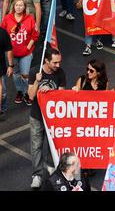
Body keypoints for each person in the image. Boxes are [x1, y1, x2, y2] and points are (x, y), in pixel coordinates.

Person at [28, 48, 66, 189]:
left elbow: (61, 96)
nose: (58, 65)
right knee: (36, 146)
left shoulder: (60, 73)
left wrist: (50, 92)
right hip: (37, 116)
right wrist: (38, 82)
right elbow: (31, 96)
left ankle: (51, 170)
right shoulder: (34, 72)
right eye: (55, 62)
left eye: (59, 62)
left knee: (53, 146)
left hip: (53, 118)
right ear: (47, 61)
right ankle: (37, 175)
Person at [1, 0, 39, 106]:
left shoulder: (30, 19)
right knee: (16, 74)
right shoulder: (7, 18)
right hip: (11, 54)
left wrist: (28, 47)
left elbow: (34, 35)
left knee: (25, 74)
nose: (18, 7)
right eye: (16, 5)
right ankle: (19, 92)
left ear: (24, 7)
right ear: (13, 6)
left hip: (26, 53)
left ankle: (27, 92)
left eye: (21, 5)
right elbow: (2, 33)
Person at [0, 27, 13, 116]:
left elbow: (9, 49)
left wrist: (11, 65)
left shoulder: (2, 33)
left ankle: (2, 109)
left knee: (2, 91)